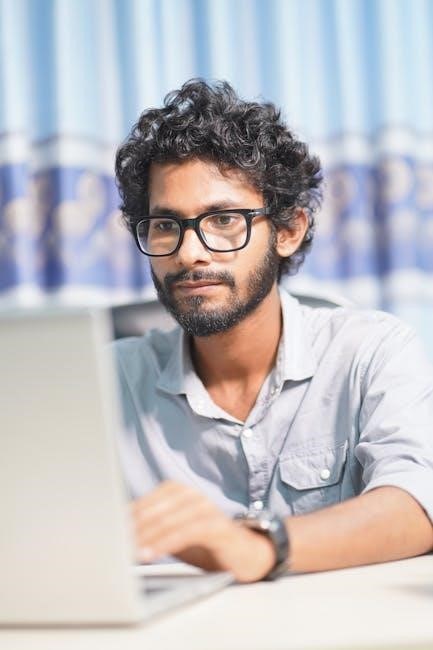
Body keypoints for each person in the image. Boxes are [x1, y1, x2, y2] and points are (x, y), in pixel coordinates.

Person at [113, 79, 433, 583]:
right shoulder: (103, 383)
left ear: (288, 231)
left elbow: (417, 503)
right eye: (165, 225)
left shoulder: (372, 351)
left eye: (223, 219)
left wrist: (260, 546)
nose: (189, 253)